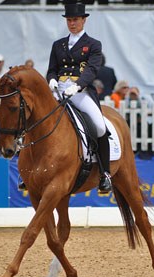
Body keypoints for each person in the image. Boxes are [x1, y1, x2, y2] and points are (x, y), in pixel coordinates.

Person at [46, 3, 112, 193]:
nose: (72, 23)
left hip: (80, 92)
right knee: (34, 117)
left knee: (99, 126)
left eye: (75, 20)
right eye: (69, 20)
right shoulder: (58, 44)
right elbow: (52, 69)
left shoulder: (93, 44)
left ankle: (105, 173)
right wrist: (51, 80)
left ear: (83, 20)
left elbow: (91, 69)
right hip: (58, 91)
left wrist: (77, 86)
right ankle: (26, 171)